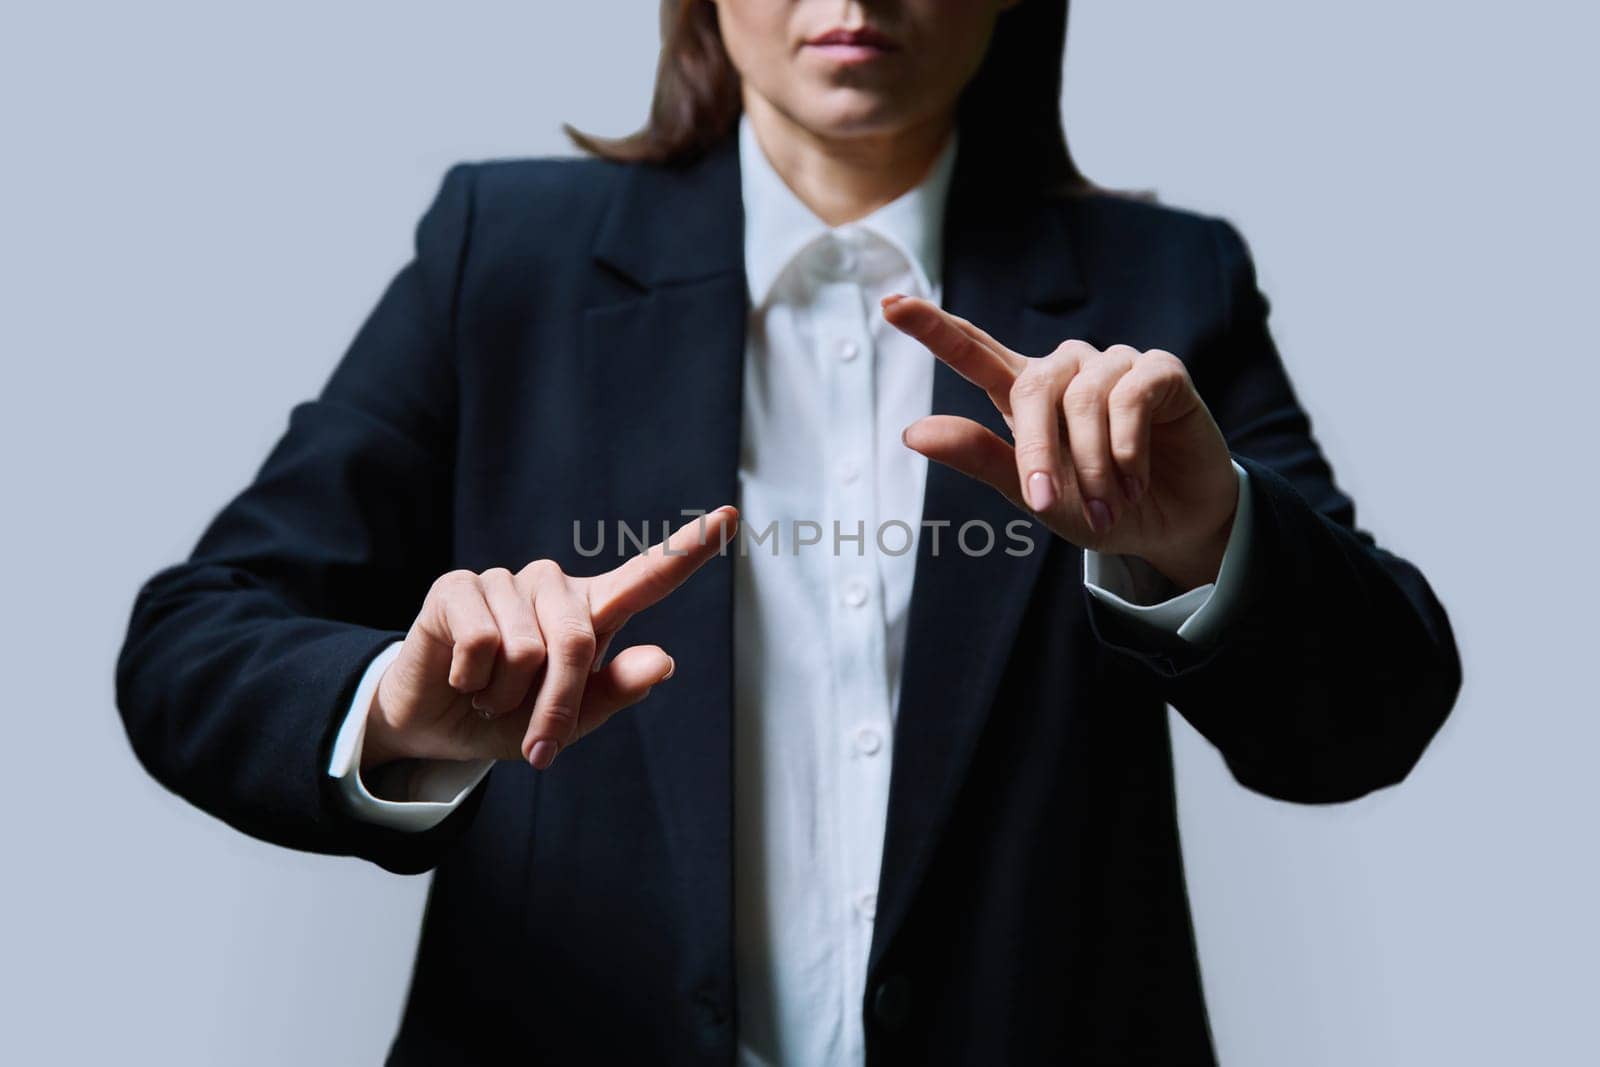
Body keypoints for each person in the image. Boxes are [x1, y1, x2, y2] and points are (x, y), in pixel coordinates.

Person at [116, 1, 1461, 1063]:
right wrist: (394, 715)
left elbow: (1375, 714)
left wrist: (1206, 541)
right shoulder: (504, 253)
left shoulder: (1166, 285)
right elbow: (193, 643)